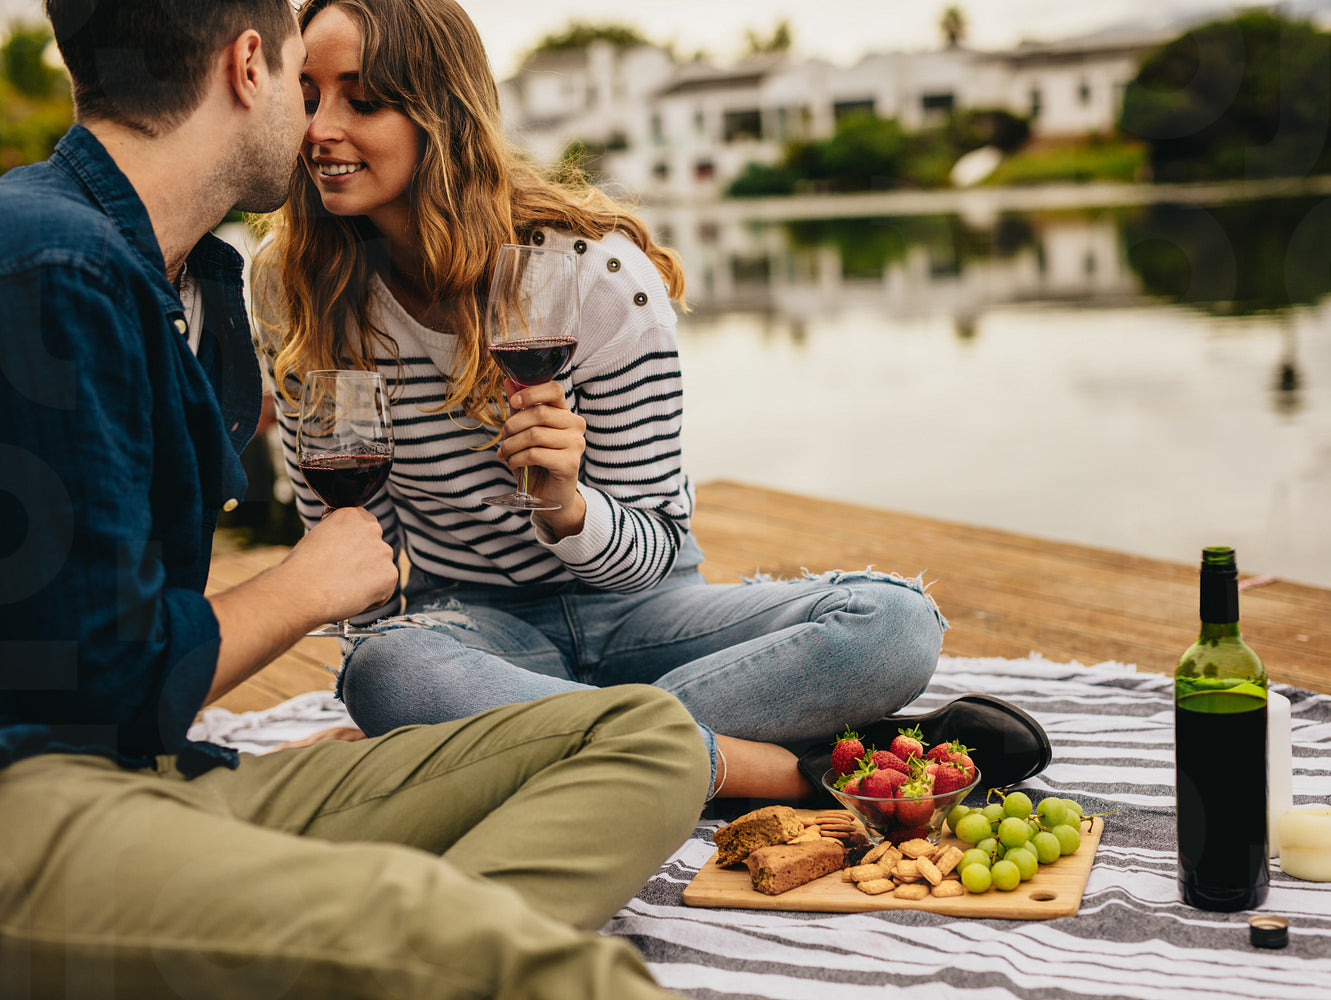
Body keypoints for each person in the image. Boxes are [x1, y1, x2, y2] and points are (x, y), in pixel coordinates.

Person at [0, 1, 708, 997]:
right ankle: (414, 949)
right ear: (251, 65)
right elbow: (89, 685)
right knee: (528, 963)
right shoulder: (47, 269)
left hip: (156, 773)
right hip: (36, 802)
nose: (317, 119)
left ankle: (376, 956)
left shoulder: (191, 279)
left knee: (648, 736)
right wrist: (305, 585)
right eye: (305, 79)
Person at [252, 0, 950, 805]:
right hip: (476, 630)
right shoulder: (289, 285)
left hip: (647, 615)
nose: (319, 129)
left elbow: (655, 547)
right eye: (307, 97)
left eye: (364, 100)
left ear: (442, 114)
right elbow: (349, 556)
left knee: (893, 626)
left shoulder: (593, 275)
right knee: (389, 671)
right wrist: (393, 695)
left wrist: (567, 508)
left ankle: (534, 739)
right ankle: (776, 769)